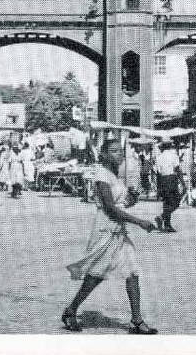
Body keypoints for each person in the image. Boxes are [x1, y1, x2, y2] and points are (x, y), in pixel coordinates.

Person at [63, 135, 159, 335]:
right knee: (95, 276)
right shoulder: (100, 174)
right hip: (105, 228)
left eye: (120, 151)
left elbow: (122, 203)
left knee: (132, 272)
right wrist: (139, 222)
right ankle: (71, 310)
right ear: (104, 154)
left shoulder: (115, 174)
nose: (118, 155)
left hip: (119, 230)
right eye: (113, 151)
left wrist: (132, 197)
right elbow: (109, 208)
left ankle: (136, 320)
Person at [154, 140, 183, 232]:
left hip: (163, 180)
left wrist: (158, 187)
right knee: (176, 201)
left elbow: (158, 173)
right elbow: (177, 169)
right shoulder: (174, 156)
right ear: (170, 146)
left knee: (166, 202)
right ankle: (162, 217)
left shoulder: (159, 157)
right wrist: (182, 183)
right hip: (171, 179)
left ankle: (167, 225)